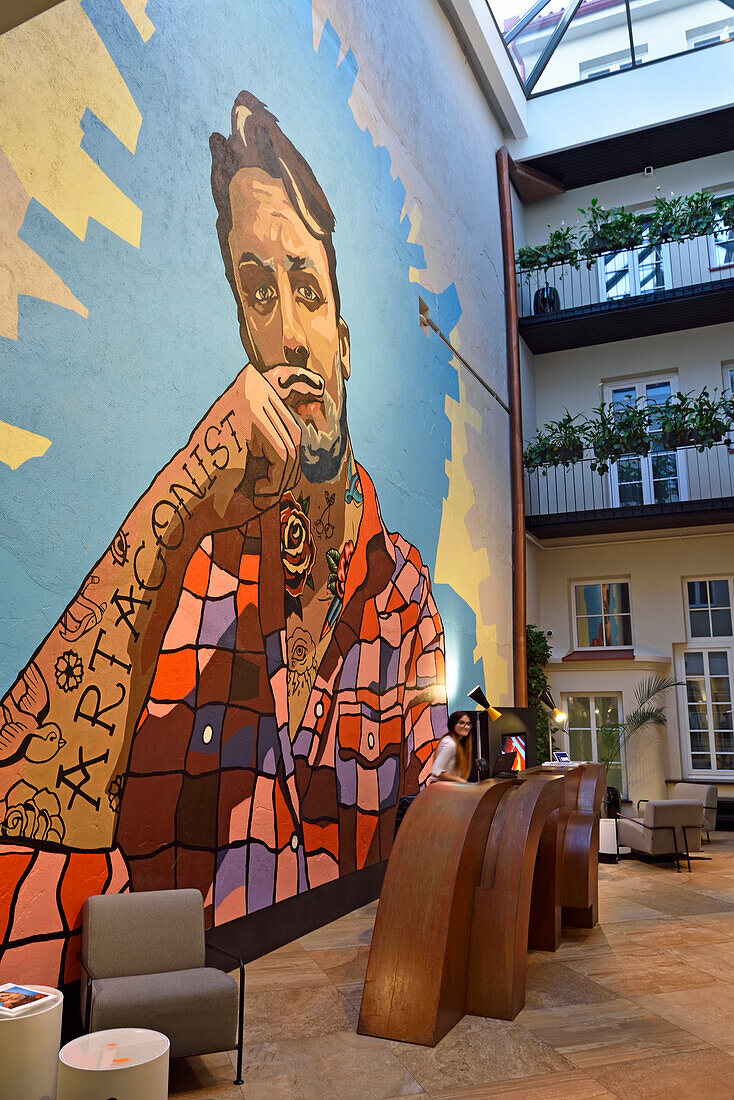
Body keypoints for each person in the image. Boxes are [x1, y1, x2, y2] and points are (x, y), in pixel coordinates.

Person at [0, 91, 448, 980]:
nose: (285, 332)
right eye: (257, 291)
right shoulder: (188, 562)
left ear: (346, 342)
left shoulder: (403, 602)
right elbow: (21, 828)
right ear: (242, 325)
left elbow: (438, 827)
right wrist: (178, 504)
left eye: (307, 292)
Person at [430, 711, 474, 783]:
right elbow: (436, 771)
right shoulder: (450, 744)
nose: (466, 727)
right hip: (440, 789)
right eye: (462, 723)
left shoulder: (455, 742)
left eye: (468, 724)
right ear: (453, 724)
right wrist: (460, 780)